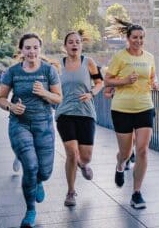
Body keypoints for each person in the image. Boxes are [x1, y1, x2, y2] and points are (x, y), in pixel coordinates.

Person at [0, 33, 62, 227]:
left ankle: (39, 181)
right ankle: (30, 210)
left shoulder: (49, 71)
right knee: (30, 166)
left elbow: (58, 98)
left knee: (45, 172)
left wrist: (44, 92)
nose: (32, 51)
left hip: (44, 125)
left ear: (40, 49)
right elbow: (0, 98)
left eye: (35, 47)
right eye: (28, 48)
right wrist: (11, 107)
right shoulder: (13, 72)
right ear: (22, 50)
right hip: (20, 124)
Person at [104, 18, 157, 209]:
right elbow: (107, 81)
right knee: (126, 152)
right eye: (135, 37)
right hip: (122, 109)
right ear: (128, 38)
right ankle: (120, 165)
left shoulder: (149, 57)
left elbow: (151, 77)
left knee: (142, 150)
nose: (138, 40)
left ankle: (136, 193)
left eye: (141, 37)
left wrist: (155, 83)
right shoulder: (120, 57)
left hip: (145, 106)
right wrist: (125, 80)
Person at [55, 31, 104, 207]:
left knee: (85, 156)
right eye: (70, 42)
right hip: (65, 113)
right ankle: (70, 192)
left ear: (81, 45)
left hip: (86, 113)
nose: (74, 44)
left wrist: (91, 93)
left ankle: (83, 165)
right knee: (71, 153)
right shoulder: (58, 66)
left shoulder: (88, 62)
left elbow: (100, 82)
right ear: (65, 46)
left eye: (77, 42)